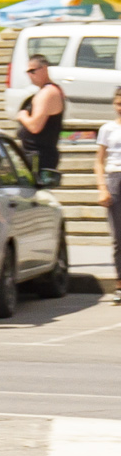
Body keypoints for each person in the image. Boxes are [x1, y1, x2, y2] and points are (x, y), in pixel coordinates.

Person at [17, 54, 66, 172]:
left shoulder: (47, 93)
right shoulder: (47, 91)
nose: (30, 75)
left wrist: (23, 116)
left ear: (44, 68)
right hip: (36, 156)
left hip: (39, 158)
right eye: (28, 72)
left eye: (32, 71)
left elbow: (35, 126)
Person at [96, 89, 121, 304]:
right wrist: (102, 188)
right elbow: (98, 161)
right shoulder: (107, 129)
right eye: (118, 103)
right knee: (118, 237)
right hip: (114, 179)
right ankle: (120, 284)